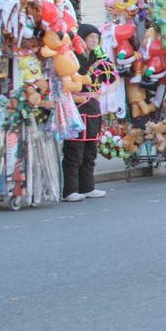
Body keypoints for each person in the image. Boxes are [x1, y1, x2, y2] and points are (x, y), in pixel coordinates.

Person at [61, 23, 106, 201]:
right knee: (74, 150)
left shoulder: (98, 57)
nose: (94, 41)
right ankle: (70, 189)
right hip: (76, 106)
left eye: (97, 37)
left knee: (90, 151)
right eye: (91, 37)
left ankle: (88, 186)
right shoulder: (73, 57)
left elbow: (107, 78)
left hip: (93, 106)